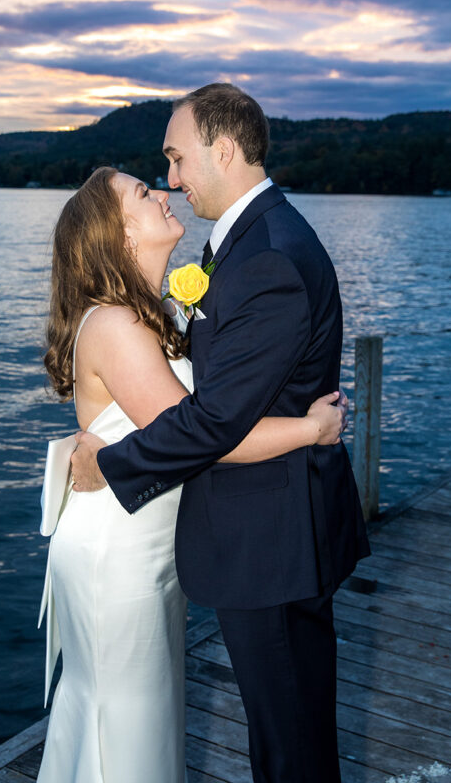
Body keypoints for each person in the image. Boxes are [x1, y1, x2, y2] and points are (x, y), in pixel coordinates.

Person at [72, 83, 371, 783]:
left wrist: (115, 462)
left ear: (224, 149)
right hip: (271, 530)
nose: (170, 179)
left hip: (270, 537)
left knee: (289, 745)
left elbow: (213, 420)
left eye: (176, 159)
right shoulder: (247, 242)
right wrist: (309, 425)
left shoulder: (265, 253)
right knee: (287, 736)